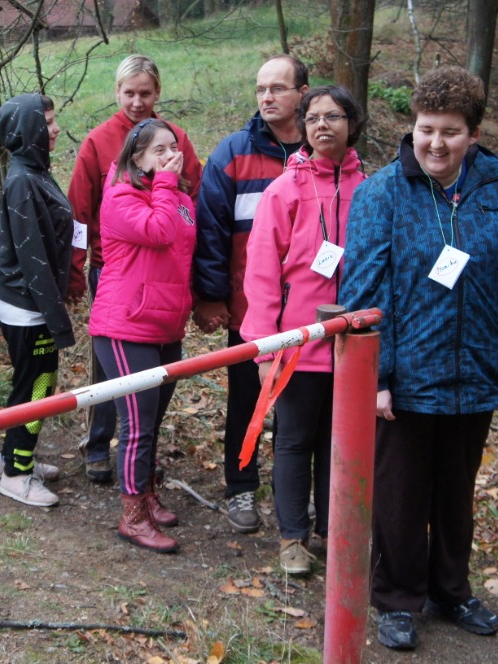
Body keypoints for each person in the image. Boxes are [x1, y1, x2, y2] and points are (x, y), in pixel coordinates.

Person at [339, 66, 498, 650]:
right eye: (426, 129)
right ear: (413, 128)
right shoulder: (382, 192)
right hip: (407, 378)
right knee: (401, 494)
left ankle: (450, 589)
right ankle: (398, 598)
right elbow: (364, 294)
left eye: (450, 132)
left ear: (472, 135)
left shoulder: (497, 191)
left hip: (478, 371)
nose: (435, 142)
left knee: (456, 491)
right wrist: (375, 376)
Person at [241, 86, 366, 575]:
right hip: (296, 345)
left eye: (333, 116)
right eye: (312, 118)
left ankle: (332, 533)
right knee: (293, 440)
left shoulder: (371, 189)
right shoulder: (284, 189)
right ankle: (292, 537)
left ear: (351, 123)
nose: (322, 126)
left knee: (339, 444)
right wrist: (265, 347)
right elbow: (262, 272)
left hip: (351, 346)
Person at [67, 54, 202, 483]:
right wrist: (76, 267)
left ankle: (140, 452)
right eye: (130, 93)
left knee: (153, 376)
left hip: (164, 275)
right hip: (114, 269)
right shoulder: (99, 141)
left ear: (157, 93)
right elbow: (78, 209)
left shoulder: (175, 139)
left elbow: (193, 199)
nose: (138, 102)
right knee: (111, 369)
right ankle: (98, 444)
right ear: (117, 92)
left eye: (145, 93)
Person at [192, 54, 308, 534]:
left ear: (303, 92)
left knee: (300, 409)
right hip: (249, 312)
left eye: (278, 88)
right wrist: (213, 296)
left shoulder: (322, 151)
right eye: (261, 88)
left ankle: (296, 498)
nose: (266, 97)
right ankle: (240, 488)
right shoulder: (232, 154)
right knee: (248, 403)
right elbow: (210, 231)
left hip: (307, 312)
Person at [90, 119, 196, 553]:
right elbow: (159, 231)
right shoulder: (120, 196)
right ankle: (132, 516)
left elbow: (185, 249)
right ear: (136, 158)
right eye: (158, 150)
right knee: (137, 423)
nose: (170, 155)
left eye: (174, 147)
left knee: (152, 421)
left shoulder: (181, 197)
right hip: (125, 324)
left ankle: (147, 493)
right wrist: (167, 181)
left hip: (166, 323)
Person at [0, 93, 75, 507]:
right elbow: (34, 259)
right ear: (29, 131)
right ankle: (16, 474)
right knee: (38, 386)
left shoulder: (35, 170)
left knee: (32, 382)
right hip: (28, 307)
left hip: (34, 303)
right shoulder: (23, 182)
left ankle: (13, 457)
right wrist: (57, 319)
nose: (56, 129)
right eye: (47, 123)